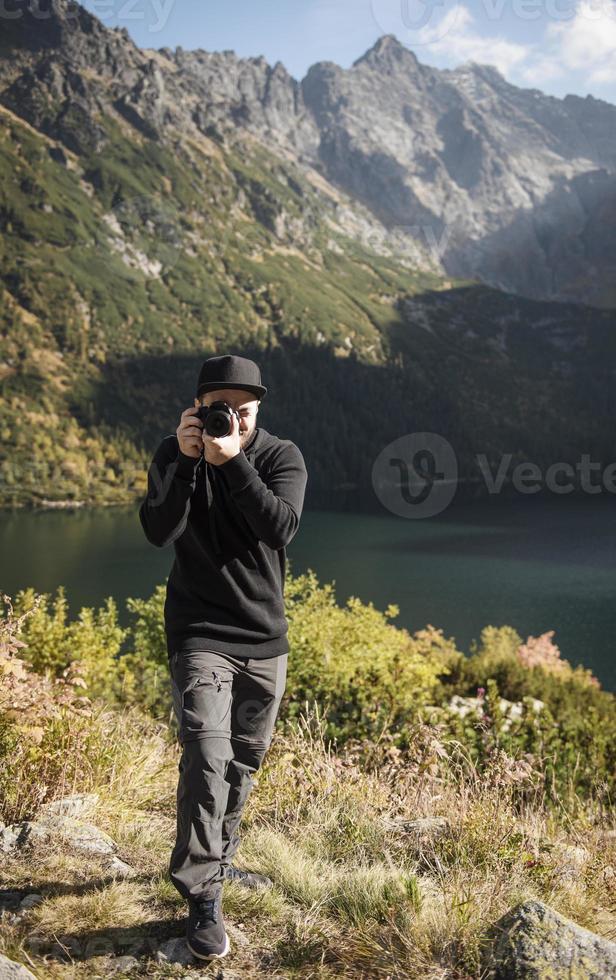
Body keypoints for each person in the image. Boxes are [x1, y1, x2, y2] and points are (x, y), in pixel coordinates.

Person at [138, 354, 308, 961]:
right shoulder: (171, 453)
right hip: (198, 631)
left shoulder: (281, 457)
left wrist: (233, 461)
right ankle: (202, 894)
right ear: (199, 404)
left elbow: (279, 526)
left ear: (258, 408)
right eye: (220, 407)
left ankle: (221, 861)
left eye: (244, 406)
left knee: (242, 763)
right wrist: (186, 464)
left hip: (264, 637)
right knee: (207, 756)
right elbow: (159, 529)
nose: (231, 416)